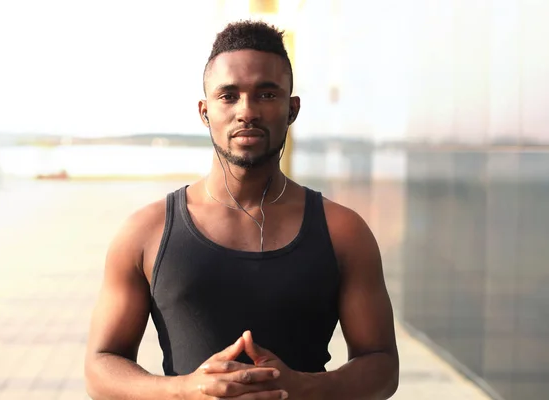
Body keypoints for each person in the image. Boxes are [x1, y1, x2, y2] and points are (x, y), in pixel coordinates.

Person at [84, 20, 399, 400]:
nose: (246, 111)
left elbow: (382, 364)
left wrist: (306, 388)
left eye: (266, 95)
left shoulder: (343, 231)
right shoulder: (146, 232)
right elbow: (100, 366)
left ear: (292, 108)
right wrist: (187, 390)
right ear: (204, 111)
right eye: (228, 96)